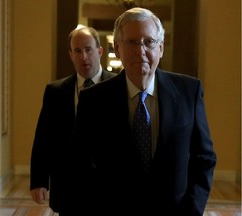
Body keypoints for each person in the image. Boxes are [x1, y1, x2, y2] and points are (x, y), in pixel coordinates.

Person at [69, 7, 217, 216]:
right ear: (117, 49)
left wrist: (192, 209)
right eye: (132, 42)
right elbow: (78, 164)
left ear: (161, 49)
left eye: (149, 42)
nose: (141, 50)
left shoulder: (188, 92)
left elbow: (204, 157)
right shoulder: (94, 100)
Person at [30, 25, 116, 215]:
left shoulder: (118, 87)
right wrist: (39, 181)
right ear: (70, 54)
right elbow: (44, 137)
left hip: (108, 186)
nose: (83, 56)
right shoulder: (55, 91)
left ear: (100, 51)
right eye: (77, 51)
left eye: (88, 50)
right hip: (68, 186)